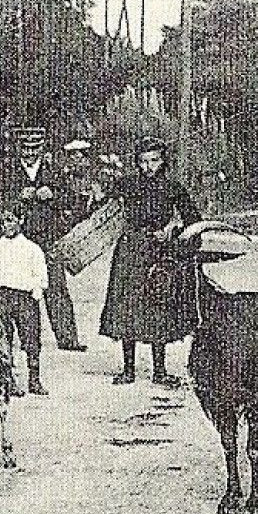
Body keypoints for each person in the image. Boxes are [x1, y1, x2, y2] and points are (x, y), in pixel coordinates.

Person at [99, 136, 201, 387]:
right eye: (143, 162)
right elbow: (102, 206)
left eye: (154, 161)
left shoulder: (173, 187)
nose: (148, 167)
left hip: (160, 252)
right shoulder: (127, 184)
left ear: (163, 160)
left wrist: (172, 227)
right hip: (131, 252)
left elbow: (193, 219)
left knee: (159, 306)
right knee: (127, 308)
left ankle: (160, 371)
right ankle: (128, 370)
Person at [0, 127, 87, 352]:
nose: (30, 153)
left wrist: (53, 195)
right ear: (18, 147)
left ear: (42, 148)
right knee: (7, 285)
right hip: (14, 238)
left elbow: (71, 199)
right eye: (25, 148)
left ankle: (67, 338)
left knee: (55, 285)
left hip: (47, 236)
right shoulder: (6, 169)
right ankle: (5, 337)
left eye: (35, 148)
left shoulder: (53, 169)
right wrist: (16, 198)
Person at [0, 202, 49, 397]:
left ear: (21, 220)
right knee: (3, 340)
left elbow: (41, 277)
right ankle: (7, 380)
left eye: (10, 220)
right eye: (2, 222)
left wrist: (35, 294)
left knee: (31, 340)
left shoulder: (33, 249)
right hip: (1, 297)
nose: (6, 226)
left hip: (25, 298)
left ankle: (34, 379)